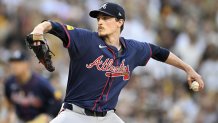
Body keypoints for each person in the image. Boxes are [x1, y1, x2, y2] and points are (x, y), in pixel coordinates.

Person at [29, 2, 204, 123]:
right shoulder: (85, 38)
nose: (100, 22)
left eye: (106, 18)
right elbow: (54, 26)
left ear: (120, 22)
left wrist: (188, 69)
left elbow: (159, 52)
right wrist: (39, 29)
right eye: (98, 18)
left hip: (107, 117)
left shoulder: (133, 49)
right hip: (75, 115)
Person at [4, 50, 62, 123]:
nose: (14, 65)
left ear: (27, 64)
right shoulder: (9, 83)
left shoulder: (40, 82)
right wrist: (10, 114)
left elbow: (58, 99)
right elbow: (9, 104)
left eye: (18, 62)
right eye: (12, 62)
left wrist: (47, 115)